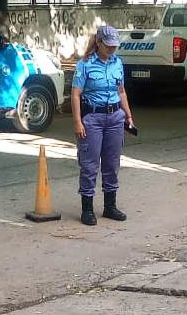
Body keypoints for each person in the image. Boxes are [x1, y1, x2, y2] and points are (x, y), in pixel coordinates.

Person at [71, 25, 135, 226]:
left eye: (114, 46)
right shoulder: (85, 65)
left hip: (115, 117)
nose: (112, 49)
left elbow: (121, 91)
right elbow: (75, 94)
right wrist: (77, 122)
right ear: (98, 43)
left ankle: (110, 206)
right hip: (93, 118)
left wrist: (128, 116)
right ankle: (87, 209)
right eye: (108, 46)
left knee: (112, 163)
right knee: (89, 165)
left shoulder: (118, 63)